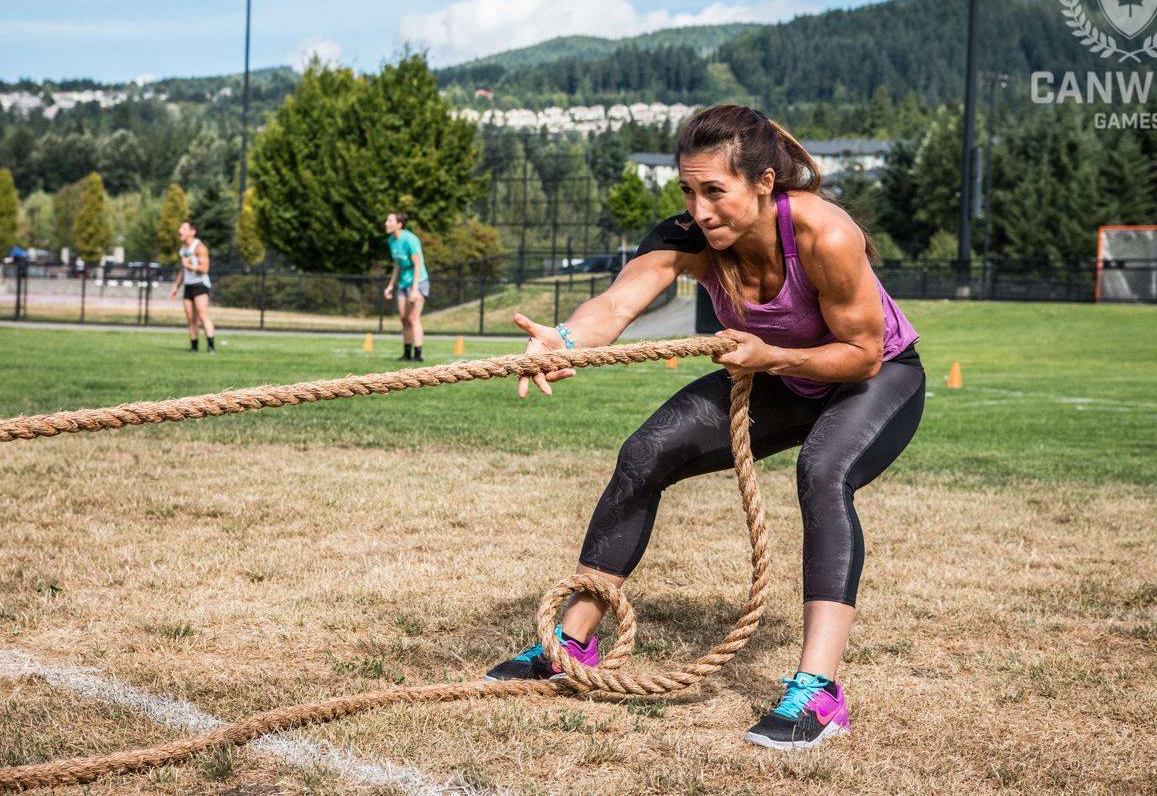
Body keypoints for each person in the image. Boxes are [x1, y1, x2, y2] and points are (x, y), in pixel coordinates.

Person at [484, 104, 925, 751]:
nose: (700, 208)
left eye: (714, 190)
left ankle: (820, 690)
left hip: (872, 380)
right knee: (646, 451)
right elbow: (617, 303)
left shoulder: (824, 235)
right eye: (688, 190)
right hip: (776, 376)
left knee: (823, 471)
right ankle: (569, 644)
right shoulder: (689, 237)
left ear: (765, 184)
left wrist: (769, 355)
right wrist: (567, 338)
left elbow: (862, 352)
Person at [384, 211, 429, 362]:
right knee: (403, 319)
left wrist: (415, 289)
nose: (386, 223)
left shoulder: (410, 240)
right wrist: (391, 285)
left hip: (418, 282)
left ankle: (418, 354)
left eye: (390, 220)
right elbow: (398, 264)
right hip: (403, 283)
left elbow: (418, 265)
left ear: (399, 224)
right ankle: (406, 353)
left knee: (413, 318)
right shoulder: (391, 240)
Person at [169, 220, 216, 353]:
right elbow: (182, 270)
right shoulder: (183, 249)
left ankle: (211, 347)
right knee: (190, 317)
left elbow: (205, 268)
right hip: (188, 286)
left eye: (183, 228)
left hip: (200, 285)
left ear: (192, 232)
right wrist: (176, 286)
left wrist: (188, 265)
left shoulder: (200, 247)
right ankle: (194, 347)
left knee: (202, 315)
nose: (180, 230)